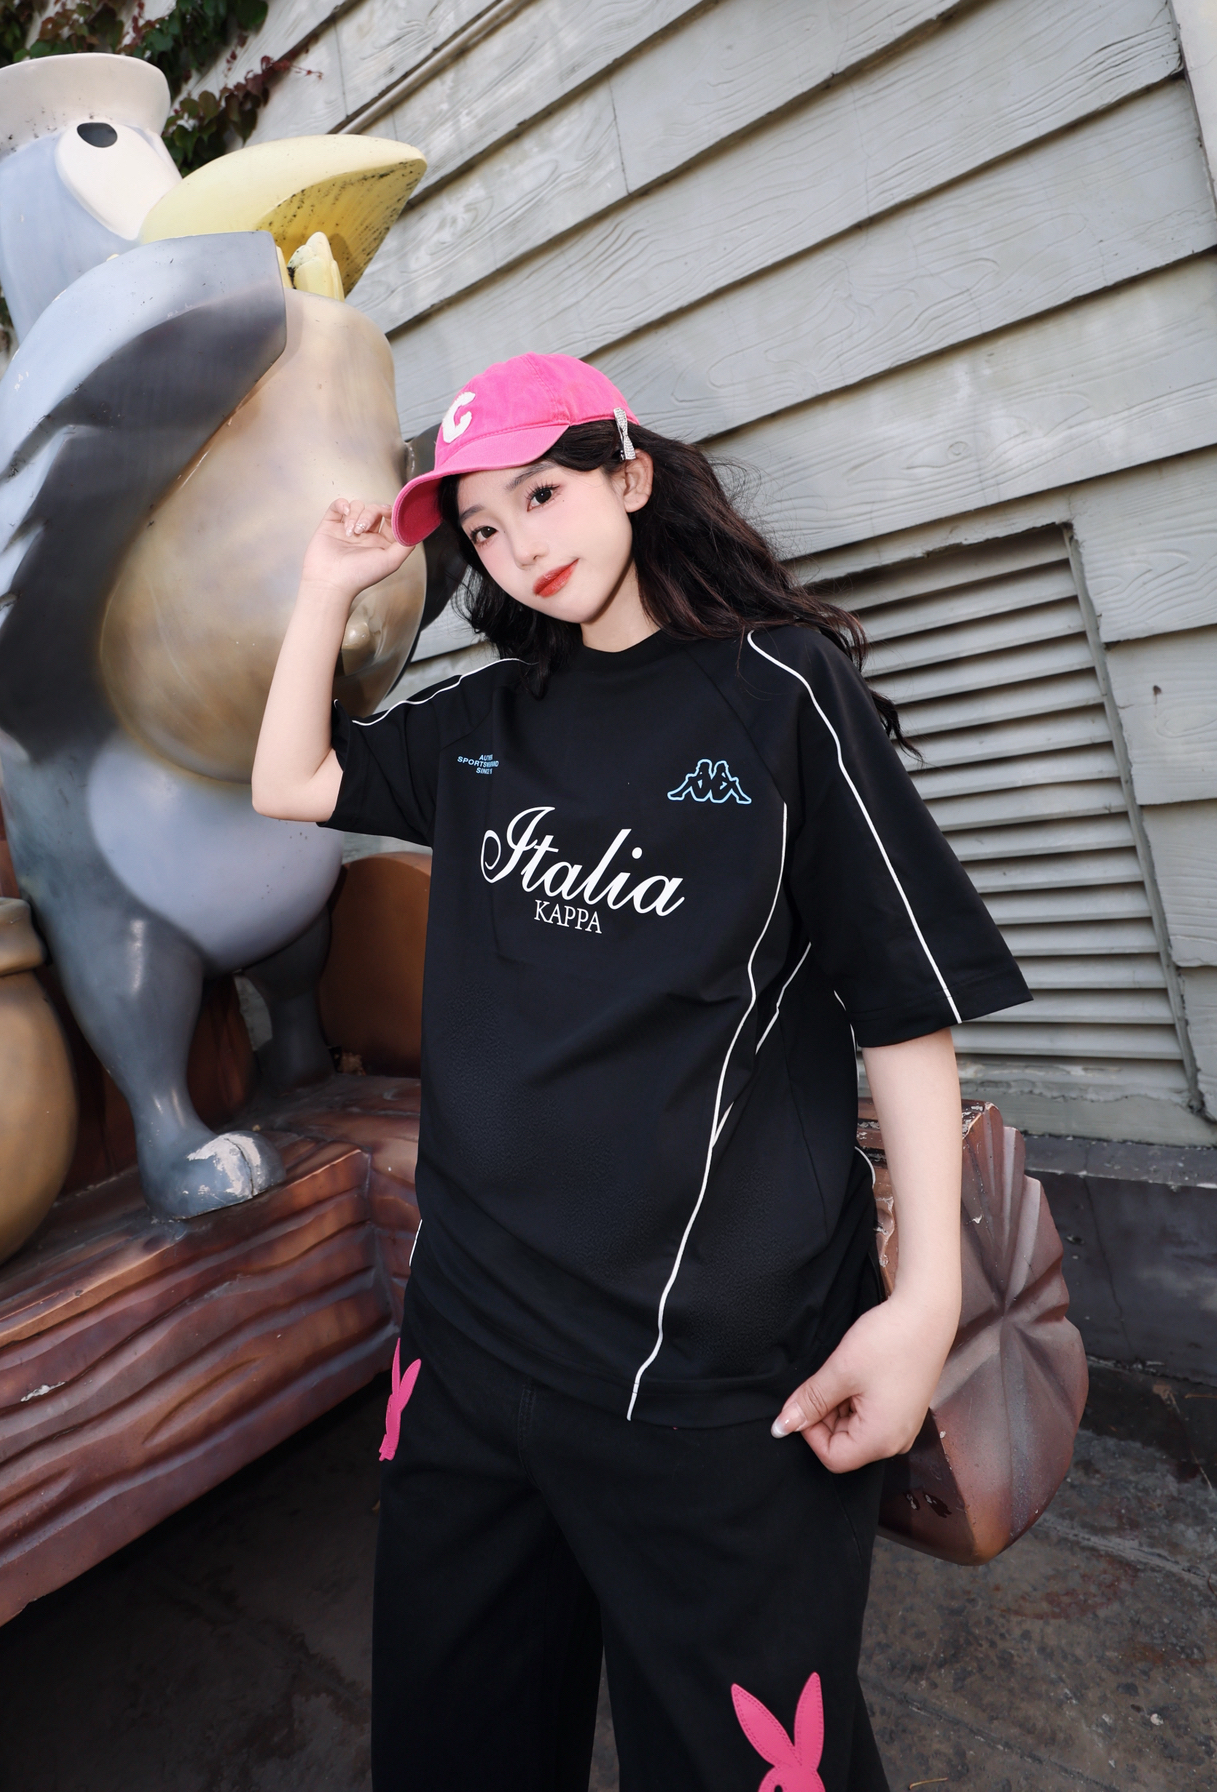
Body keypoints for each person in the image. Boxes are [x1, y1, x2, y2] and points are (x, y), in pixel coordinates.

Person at [252, 354, 1029, 1791]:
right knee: (452, 1743)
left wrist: (926, 1301)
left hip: (711, 1380)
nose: (520, 545)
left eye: (543, 495)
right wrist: (324, 589)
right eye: (484, 528)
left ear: (629, 475)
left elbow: (904, 1000)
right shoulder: (487, 721)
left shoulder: (780, 694)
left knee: (745, 1762)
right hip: (469, 1343)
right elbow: (291, 782)